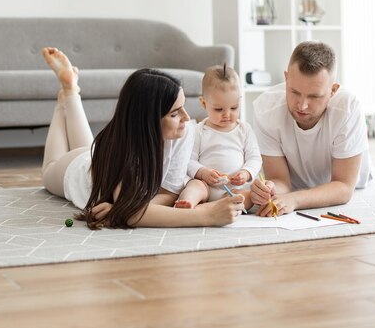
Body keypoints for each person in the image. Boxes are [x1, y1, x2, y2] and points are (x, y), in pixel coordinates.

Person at [39, 47, 245, 229]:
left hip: (96, 161)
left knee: (88, 148)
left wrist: (124, 211)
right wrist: (206, 216)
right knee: (50, 169)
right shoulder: (124, 152)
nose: (187, 117)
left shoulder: (184, 131)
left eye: (183, 107)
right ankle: (63, 100)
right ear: (148, 121)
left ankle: (71, 90)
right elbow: (134, 214)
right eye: (174, 113)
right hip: (78, 172)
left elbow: (167, 194)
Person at [250, 41, 372, 217]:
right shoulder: (265, 109)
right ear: (286, 78)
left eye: (314, 96)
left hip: (350, 180)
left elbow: (344, 187)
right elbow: (281, 181)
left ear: (333, 90)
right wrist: (270, 188)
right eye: (294, 92)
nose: (302, 105)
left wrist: (295, 200)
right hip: (295, 185)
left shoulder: (348, 107)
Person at [174, 64, 262, 210]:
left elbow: (255, 158)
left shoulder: (244, 130)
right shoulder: (198, 131)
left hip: (234, 188)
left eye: (234, 108)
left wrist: (245, 173)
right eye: (219, 109)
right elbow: (188, 161)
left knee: (247, 195)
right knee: (195, 186)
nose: (227, 114)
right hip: (207, 187)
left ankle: (220, 207)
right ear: (204, 103)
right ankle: (187, 204)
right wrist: (202, 172)